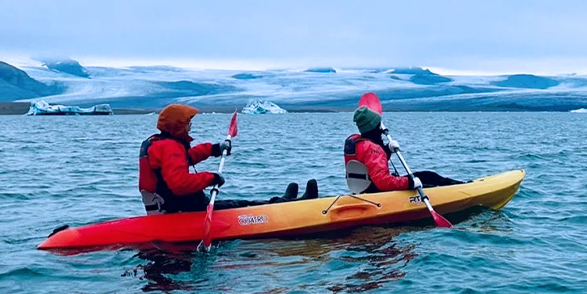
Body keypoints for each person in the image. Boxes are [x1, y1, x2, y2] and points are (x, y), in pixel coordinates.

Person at [139, 103, 317, 214]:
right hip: (183, 208)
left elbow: (185, 159)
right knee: (241, 206)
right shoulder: (170, 146)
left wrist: (214, 149)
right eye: (188, 123)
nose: (190, 126)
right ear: (178, 126)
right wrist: (211, 178)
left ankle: (284, 202)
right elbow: (179, 184)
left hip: (173, 205)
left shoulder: (160, 143)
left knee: (238, 204)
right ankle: (288, 206)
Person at [343, 105, 461, 194]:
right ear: (375, 127)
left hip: (362, 190)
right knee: (428, 177)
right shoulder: (373, 148)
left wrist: (387, 150)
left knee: (426, 175)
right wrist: (409, 183)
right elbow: (382, 182)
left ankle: (459, 186)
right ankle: (459, 189)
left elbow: (370, 165)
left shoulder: (355, 143)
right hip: (376, 192)